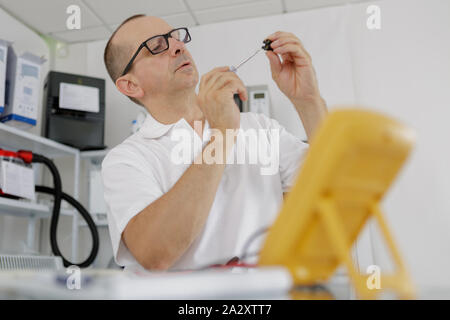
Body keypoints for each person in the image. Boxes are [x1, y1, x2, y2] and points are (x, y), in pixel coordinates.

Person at [102, 14, 327, 272]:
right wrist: (221, 134)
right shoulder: (127, 159)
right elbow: (155, 253)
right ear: (130, 85)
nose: (178, 46)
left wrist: (308, 100)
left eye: (175, 37)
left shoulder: (259, 128)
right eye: (156, 46)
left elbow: (332, 189)